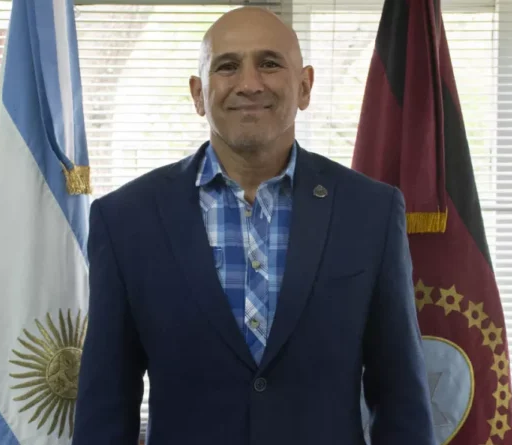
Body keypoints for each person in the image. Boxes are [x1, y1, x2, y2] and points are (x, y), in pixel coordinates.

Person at [73, 6, 434, 445]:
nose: (249, 83)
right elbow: (105, 408)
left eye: (269, 63)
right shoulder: (125, 220)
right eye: (227, 66)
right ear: (198, 94)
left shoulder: (371, 212)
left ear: (305, 86)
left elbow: (401, 400)